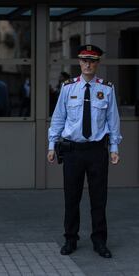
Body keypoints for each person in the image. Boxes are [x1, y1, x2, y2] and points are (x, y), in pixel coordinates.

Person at [47, 45, 122, 258]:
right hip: (73, 152)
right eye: (84, 60)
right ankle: (70, 238)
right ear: (79, 62)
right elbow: (59, 117)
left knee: (99, 198)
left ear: (98, 63)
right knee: (71, 197)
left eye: (92, 60)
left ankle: (99, 241)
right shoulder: (68, 87)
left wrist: (114, 147)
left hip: (97, 151)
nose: (88, 64)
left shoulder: (107, 89)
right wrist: (52, 145)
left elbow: (112, 119)